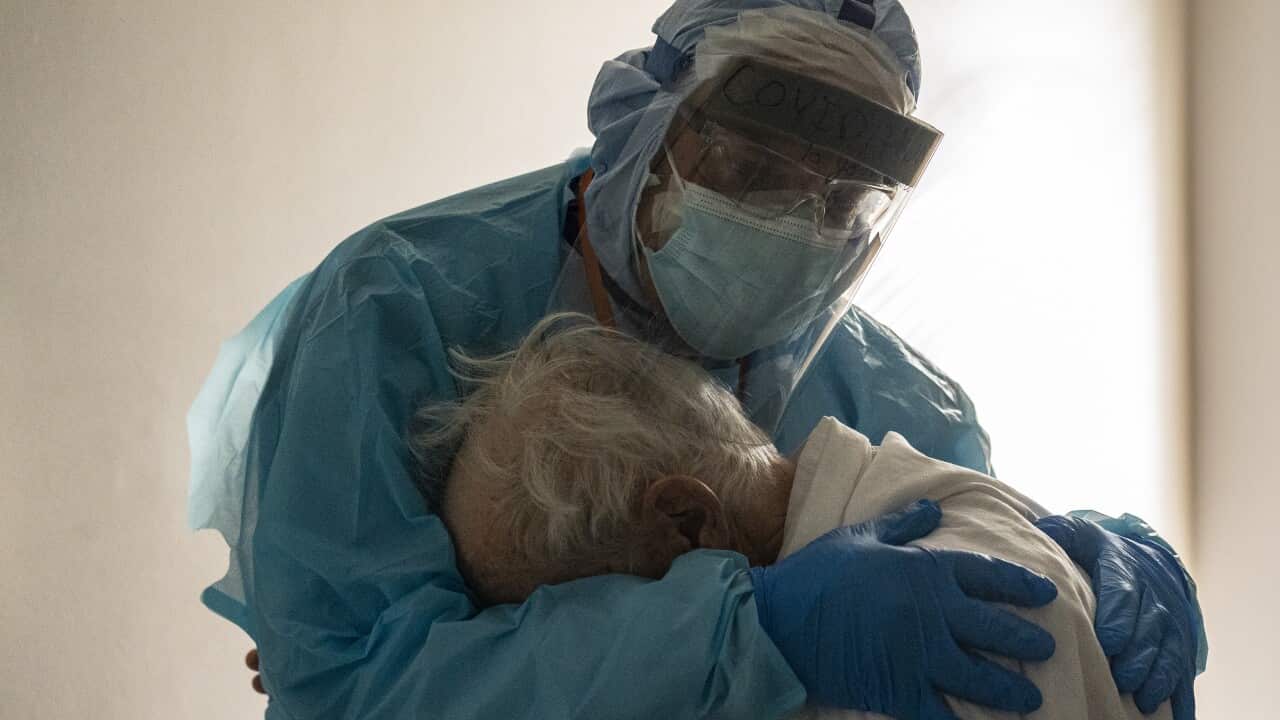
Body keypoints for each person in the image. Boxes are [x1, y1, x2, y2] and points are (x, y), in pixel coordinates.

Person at [188, 2, 1205, 718]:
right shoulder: (399, 308)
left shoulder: (889, 395)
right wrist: (744, 636)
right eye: (752, 170)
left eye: (841, 200)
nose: (794, 224)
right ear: (644, 127)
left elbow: (985, 626)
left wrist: (1069, 551)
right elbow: (352, 690)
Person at [414, 312, 1184, 719]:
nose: (605, 668)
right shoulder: (930, 501)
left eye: (581, 616)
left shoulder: (934, 646)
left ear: (685, 521)